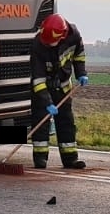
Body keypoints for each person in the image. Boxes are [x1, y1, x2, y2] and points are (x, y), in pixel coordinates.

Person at [29, 13, 88, 170]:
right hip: (43, 88)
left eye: (51, 43)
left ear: (62, 36)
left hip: (63, 86)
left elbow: (79, 55)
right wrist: (47, 102)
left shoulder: (73, 35)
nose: (48, 44)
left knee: (66, 122)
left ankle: (70, 159)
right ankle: (40, 159)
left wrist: (81, 73)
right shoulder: (37, 44)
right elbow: (38, 79)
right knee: (41, 123)